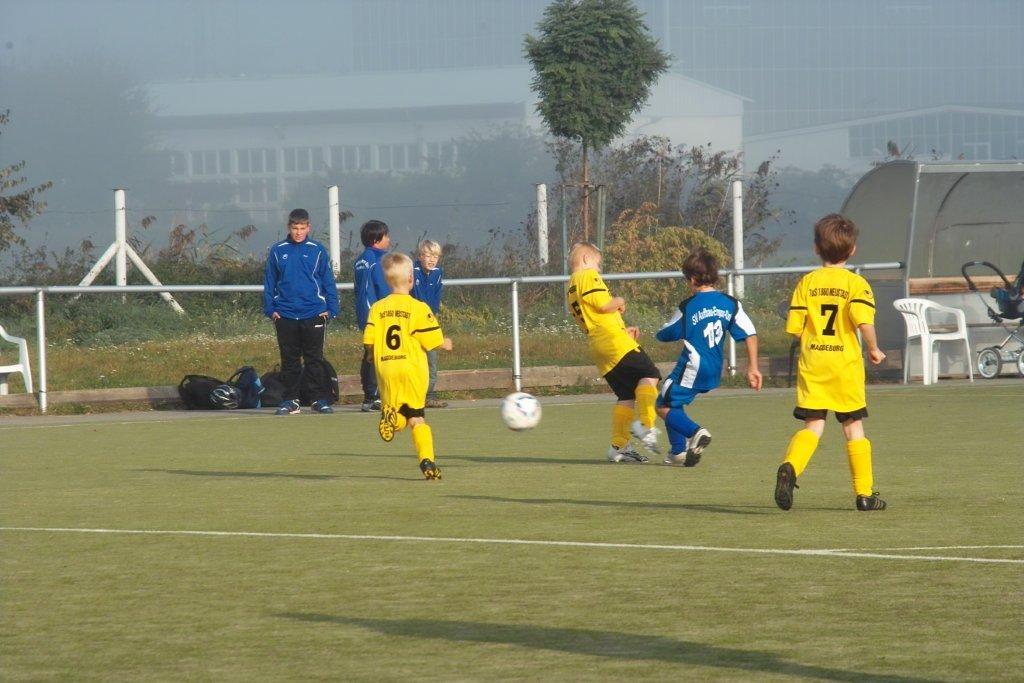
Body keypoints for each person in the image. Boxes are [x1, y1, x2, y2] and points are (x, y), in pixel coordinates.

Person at [775, 213, 887, 512]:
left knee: (813, 425)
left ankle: (790, 466)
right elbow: (864, 323)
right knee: (853, 427)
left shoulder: (807, 282)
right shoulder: (856, 284)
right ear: (853, 250)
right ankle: (864, 494)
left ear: (816, 248)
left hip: (813, 365)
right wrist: (874, 348)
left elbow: (795, 328)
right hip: (844, 367)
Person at [655, 249, 762, 466]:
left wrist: (661, 331)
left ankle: (695, 433)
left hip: (693, 366)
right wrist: (753, 367)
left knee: (662, 404)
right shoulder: (730, 303)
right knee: (673, 399)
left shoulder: (688, 306)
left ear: (692, 279)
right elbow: (750, 333)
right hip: (714, 368)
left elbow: (666, 333)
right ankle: (678, 452)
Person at [567, 242, 662, 463]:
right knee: (650, 375)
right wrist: (619, 301)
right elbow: (604, 305)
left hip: (600, 345)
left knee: (626, 394)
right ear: (586, 259)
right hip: (612, 341)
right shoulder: (588, 276)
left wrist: (622, 331)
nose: (599, 269)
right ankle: (646, 425)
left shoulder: (571, 286)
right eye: (598, 263)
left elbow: (595, 316)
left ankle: (619, 447)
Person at [363, 252, 453, 480]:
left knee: (399, 412)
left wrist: (371, 356)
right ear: (411, 279)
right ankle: (427, 460)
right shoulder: (418, 307)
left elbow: (369, 340)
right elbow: (432, 340)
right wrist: (445, 343)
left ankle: (392, 420)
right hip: (411, 369)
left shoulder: (377, 308)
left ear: (387, 280)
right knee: (417, 418)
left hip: (385, 368)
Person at [263, 208, 339, 415]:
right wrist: (270, 309)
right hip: (285, 313)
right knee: (289, 360)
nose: (298, 232)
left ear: (308, 228)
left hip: (314, 312)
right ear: (289, 227)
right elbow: (270, 281)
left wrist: (332, 309)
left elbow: (328, 281)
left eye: (302, 228)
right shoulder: (278, 250)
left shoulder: (318, 250)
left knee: (315, 359)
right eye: (295, 228)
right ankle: (290, 400)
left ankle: (318, 399)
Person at [353, 219, 391, 412]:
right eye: (386, 236)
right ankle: (375, 396)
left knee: (369, 353)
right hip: (379, 314)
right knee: (380, 355)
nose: (389, 239)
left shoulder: (360, 260)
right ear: (376, 239)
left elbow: (358, 289)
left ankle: (369, 396)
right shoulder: (381, 260)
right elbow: (383, 289)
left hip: (364, 313)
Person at [412, 239, 447, 408]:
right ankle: (412, 397)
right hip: (412, 324)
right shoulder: (412, 271)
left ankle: (429, 396)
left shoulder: (438, 272)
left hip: (429, 322)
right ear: (420, 256)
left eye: (435, 256)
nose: (432, 259)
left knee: (432, 361)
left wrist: (431, 317)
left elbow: (436, 297)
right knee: (414, 362)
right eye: (428, 255)